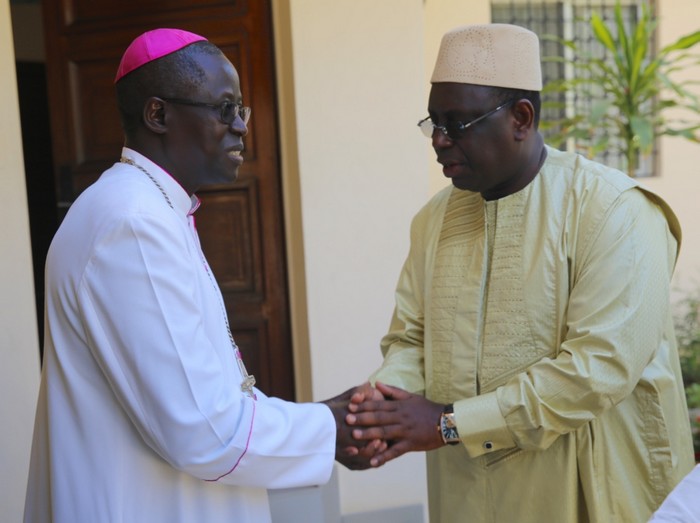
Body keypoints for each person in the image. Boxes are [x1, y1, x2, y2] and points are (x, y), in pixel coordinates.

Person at [23, 28, 377, 523]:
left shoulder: (148, 208)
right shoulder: (134, 223)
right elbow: (203, 428)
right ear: (158, 114)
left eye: (241, 110)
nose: (240, 127)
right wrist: (329, 427)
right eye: (224, 108)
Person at [346, 23, 696, 522]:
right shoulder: (435, 220)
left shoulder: (614, 210)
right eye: (434, 123)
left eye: (459, 123)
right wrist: (380, 405)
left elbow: (597, 371)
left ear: (521, 118)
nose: (440, 141)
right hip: (468, 491)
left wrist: (448, 424)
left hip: (589, 490)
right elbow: (412, 339)